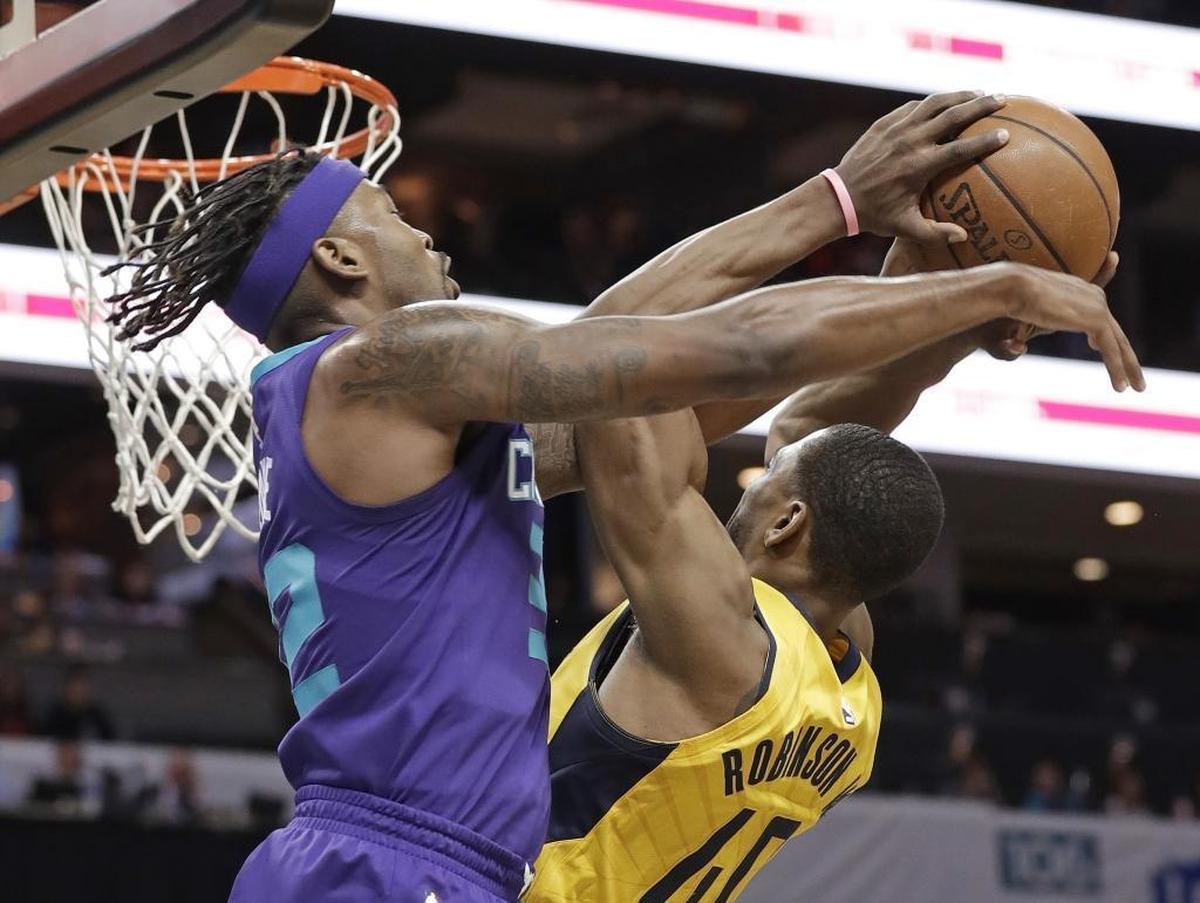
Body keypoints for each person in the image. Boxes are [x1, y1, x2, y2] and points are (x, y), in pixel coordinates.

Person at [103, 90, 1139, 903]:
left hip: (426, 864)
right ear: (337, 257)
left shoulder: (407, 426)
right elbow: (712, 354)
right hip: (396, 864)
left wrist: (912, 282)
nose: (434, 239)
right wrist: (984, 284)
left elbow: (661, 375)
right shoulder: (385, 362)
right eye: (396, 222)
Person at [527, 238, 1122, 900]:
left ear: (787, 523)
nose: (750, 479)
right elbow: (819, 423)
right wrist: (953, 319)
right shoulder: (847, 676)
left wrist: (850, 217)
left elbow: (622, 348)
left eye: (768, 478)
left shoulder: (716, 634)